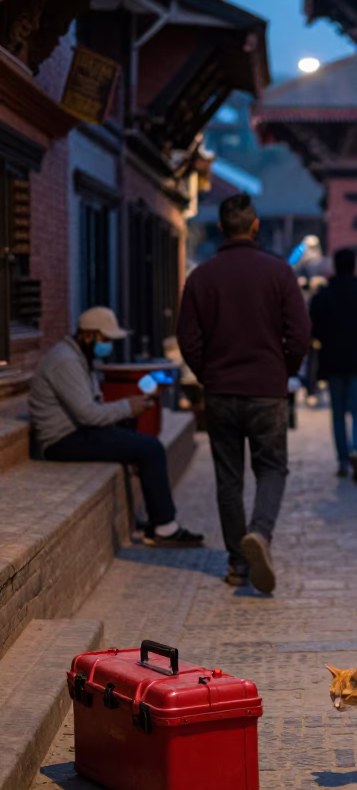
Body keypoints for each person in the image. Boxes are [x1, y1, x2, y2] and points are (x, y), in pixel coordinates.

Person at [177, 193, 311, 593]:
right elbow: (300, 334)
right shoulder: (279, 273)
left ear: (221, 228)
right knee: (272, 468)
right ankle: (260, 534)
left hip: (220, 391)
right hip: (267, 391)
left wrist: (208, 374)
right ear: (255, 225)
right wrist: (283, 371)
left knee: (228, 477)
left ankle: (237, 562)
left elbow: (188, 339)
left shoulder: (200, 277)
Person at [28, 306, 202, 547]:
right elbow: (89, 414)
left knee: (139, 442)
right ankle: (165, 527)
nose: (108, 346)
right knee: (150, 449)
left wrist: (127, 409)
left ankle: (156, 520)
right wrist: (128, 407)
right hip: (63, 440)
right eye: (106, 340)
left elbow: (92, 406)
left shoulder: (80, 357)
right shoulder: (65, 362)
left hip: (77, 431)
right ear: (89, 335)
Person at [309, 248, 357, 483]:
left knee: (338, 413)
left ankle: (342, 460)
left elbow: (314, 327)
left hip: (333, 361)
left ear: (335, 265)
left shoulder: (324, 294)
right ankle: (356, 449)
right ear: (355, 265)